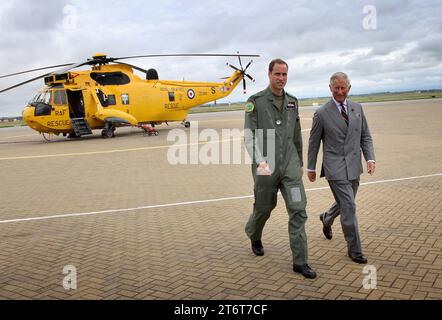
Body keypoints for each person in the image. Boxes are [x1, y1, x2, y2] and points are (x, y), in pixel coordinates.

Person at [244, 58, 316, 279]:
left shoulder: (293, 102)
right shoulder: (255, 101)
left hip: (290, 167)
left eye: (285, 74)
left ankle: (300, 261)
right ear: (269, 74)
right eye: (278, 74)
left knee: (298, 209)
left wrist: (300, 163)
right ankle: (253, 233)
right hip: (266, 166)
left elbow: (296, 136)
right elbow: (250, 136)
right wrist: (259, 161)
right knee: (264, 207)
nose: (281, 78)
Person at [307, 72, 376, 264]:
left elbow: (365, 136)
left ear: (349, 88)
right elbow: (314, 143)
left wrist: (370, 158)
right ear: (330, 89)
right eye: (336, 88)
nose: (339, 91)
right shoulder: (321, 113)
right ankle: (354, 250)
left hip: (354, 165)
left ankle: (327, 218)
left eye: (343, 88)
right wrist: (311, 167)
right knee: (349, 206)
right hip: (334, 167)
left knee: (346, 202)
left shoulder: (357, 108)